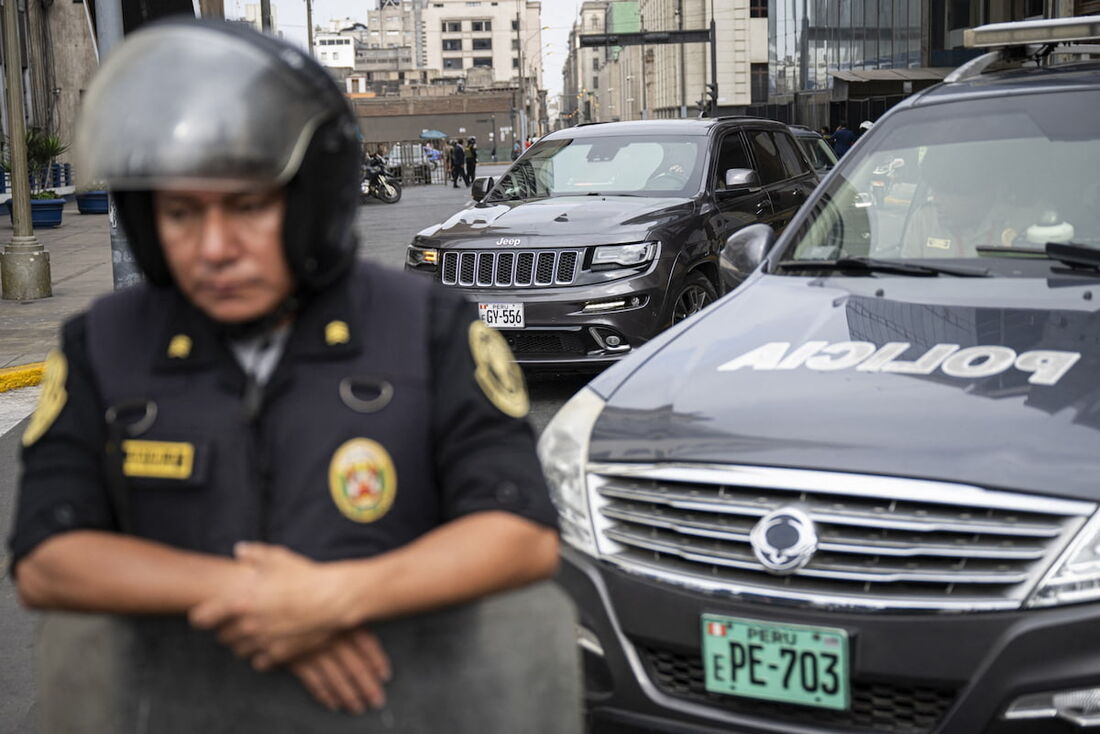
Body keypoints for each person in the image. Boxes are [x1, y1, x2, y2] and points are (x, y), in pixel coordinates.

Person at [8, 18, 578, 733]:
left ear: (309, 203)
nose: (214, 248)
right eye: (181, 214)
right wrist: (253, 597)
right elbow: (48, 557)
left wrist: (337, 597)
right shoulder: (103, 344)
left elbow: (519, 532)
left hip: (396, 700)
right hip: (175, 702)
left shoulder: (428, 330)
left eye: (247, 207)